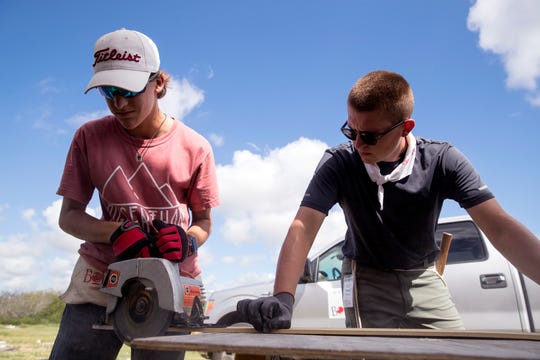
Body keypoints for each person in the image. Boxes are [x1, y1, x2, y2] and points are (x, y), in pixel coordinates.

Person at [236, 70, 540, 332]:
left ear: (405, 128)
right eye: (350, 130)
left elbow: (500, 227)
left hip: (422, 274)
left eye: (368, 136)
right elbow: (304, 225)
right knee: (376, 351)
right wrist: (283, 298)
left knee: (452, 349)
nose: (356, 144)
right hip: (366, 276)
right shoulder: (339, 162)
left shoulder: (442, 161)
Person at [49, 28, 220, 360]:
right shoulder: (88, 137)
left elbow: (203, 222)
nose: (119, 103)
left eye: (128, 89)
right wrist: (116, 232)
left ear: (158, 83)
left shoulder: (195, 147)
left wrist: (187, 241)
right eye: (108, 91)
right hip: (100, 277)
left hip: (171, 282)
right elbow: (68, 217)